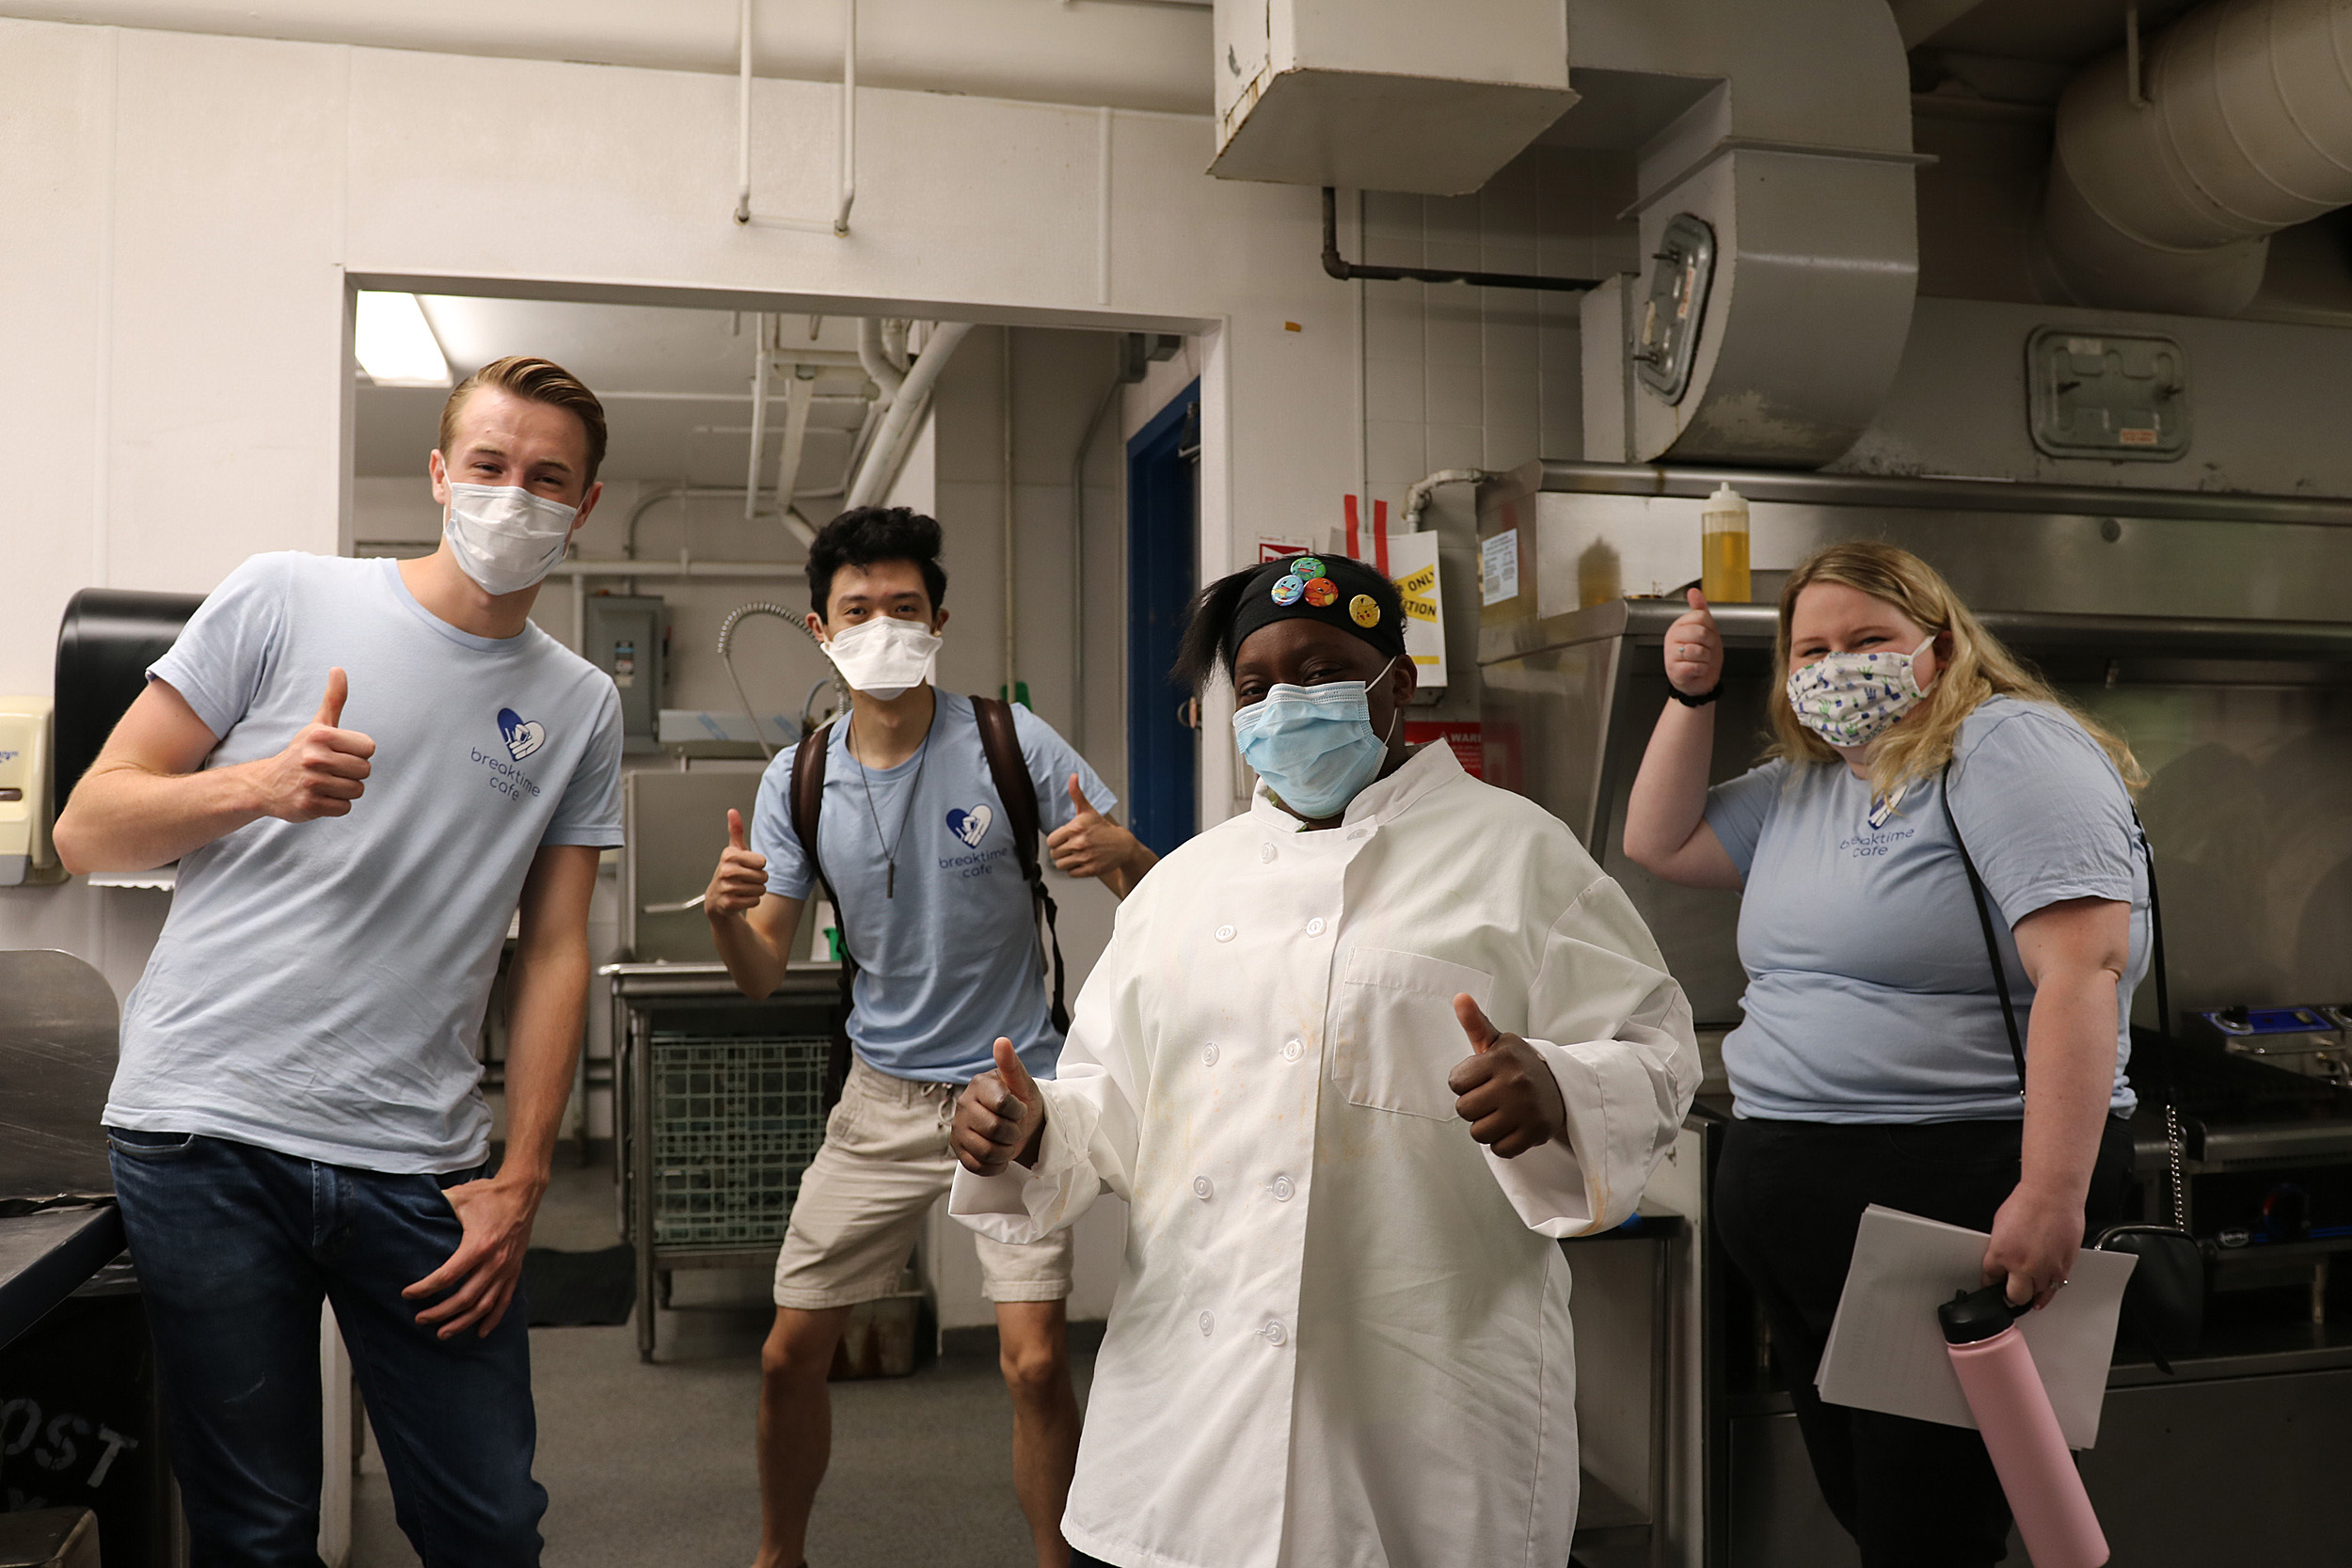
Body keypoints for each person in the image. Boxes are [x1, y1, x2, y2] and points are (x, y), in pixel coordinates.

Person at [945, 552, 1700, 1568]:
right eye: (1255, 685)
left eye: (1320, 671)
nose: (1286, 703)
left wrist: (1559, 1087)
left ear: (1398, 683)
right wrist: (1031, 1125)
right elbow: (1106, 1104)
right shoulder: (1186, 885)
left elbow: (1654, 1050)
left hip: (1423, 1381)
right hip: (1195, 1387)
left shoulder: (1519, 852)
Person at [53, 356, 625, 1566]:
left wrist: (523, 1177)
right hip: (209, 1132)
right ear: (437, 471)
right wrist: (261, 785)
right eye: (488, 465)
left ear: (583, 503)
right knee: (255, 1529)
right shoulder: (284, 597)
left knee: (488, 1522)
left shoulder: (578, 703)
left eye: (546, 478)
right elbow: (88, 823)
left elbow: (557, 949)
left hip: (419, 1158)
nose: (512, 495)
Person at [1621, 540, 2148, 1568]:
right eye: (1808, 649)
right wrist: (1691, 698)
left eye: (1867, 638)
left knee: (1932, 1529)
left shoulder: (2008, 747)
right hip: (1806, 1197)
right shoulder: (1811, 780)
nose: (1833, 665)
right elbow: (1661, 840)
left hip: (1955, 1185)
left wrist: (2049, 1193)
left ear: (1939, 645)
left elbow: (2084, 964)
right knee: (1880, 1510)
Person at [702, 505, 1158, 1568]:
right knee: (785, 1354)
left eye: (903, 607)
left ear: (939, 621)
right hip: (879, 1095)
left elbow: (1156, 897)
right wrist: (728, 916)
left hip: (1009, 1091)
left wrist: (1127, 850)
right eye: (857, 610)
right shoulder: (796, 780)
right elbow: (765, 971)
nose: (882, 627)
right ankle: (780, 1555)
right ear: (822, 629)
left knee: (1037, 1362)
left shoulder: (1008, 739)